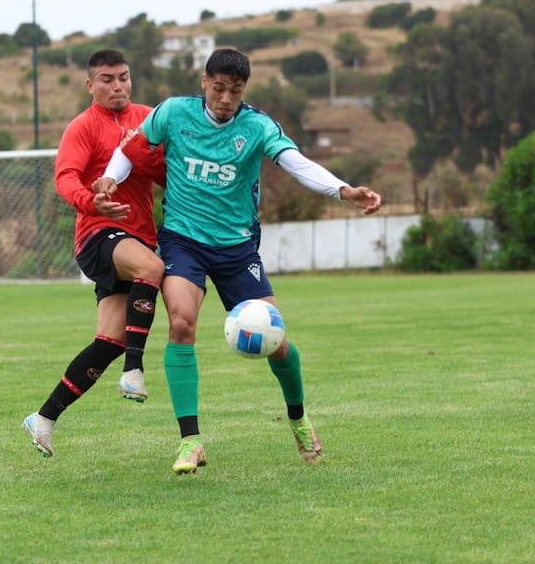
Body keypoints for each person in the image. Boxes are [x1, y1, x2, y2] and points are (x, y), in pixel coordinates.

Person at [98, 47, 382, 474]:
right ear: (204, 82)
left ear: (244, 89)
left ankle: (298, 417)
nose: (226, 98)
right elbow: (130, 150)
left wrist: (344, 190)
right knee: (180, 322)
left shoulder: (257, 126)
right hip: (183, 241)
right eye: (218, 88)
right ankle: (190, 441)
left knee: (277, 341)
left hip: (237, 249)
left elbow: (296, 164)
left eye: (235, 90)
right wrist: (108, 177)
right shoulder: (173, 113)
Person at [21, 49, 167, 458]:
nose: (117, 85)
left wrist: (152, 161)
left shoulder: (149, 118)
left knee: (109, 340)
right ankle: (134, 371)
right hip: (97, 234)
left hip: (139, 235)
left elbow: (163, 172)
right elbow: (64, 178)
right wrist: (92, 201)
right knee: (152, 267)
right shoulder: (82, 127)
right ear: (91, 85)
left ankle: (43, 418)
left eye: (123, 77)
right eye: (107, 79)